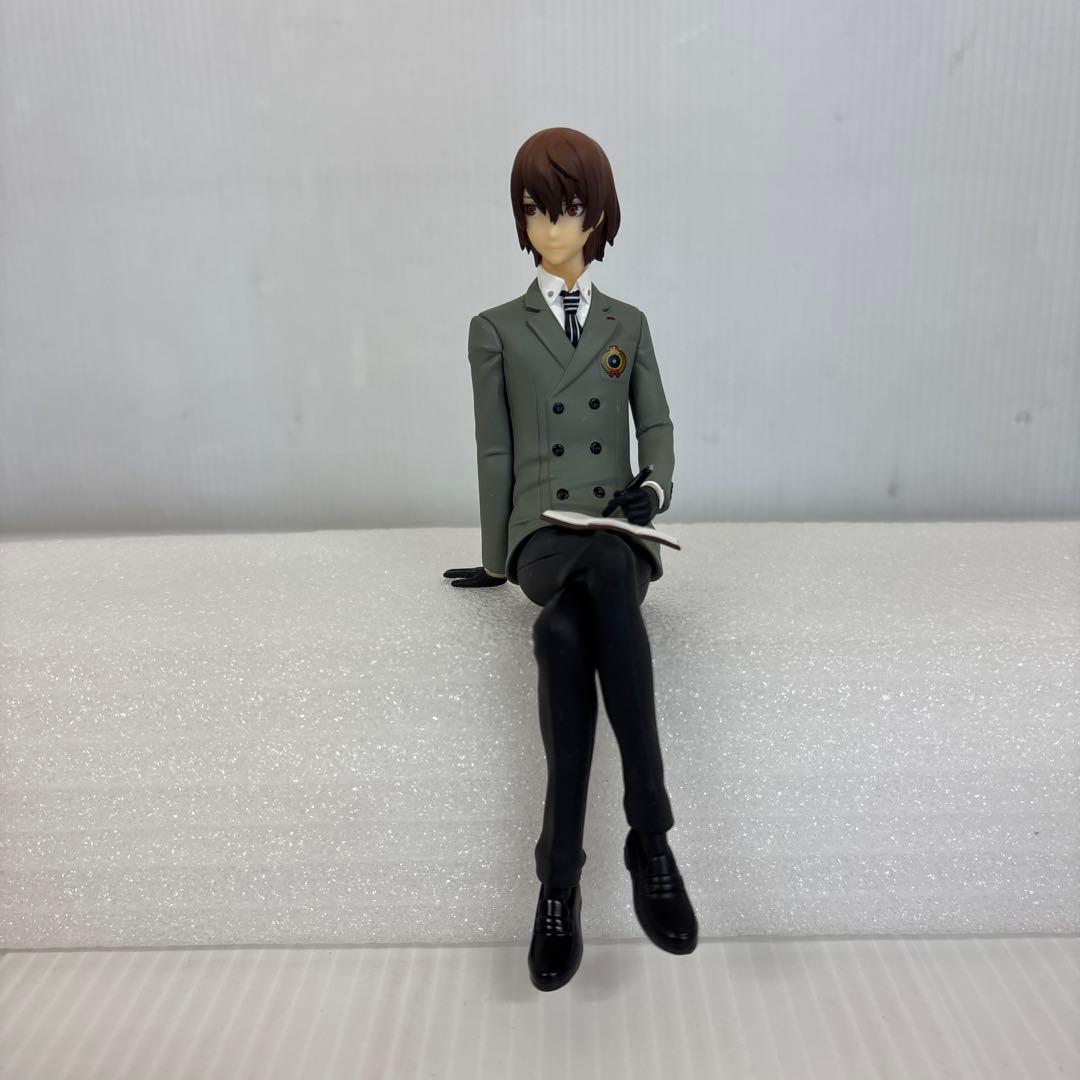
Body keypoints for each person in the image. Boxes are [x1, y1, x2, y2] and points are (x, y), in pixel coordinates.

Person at [444, 127, 697, 992]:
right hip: (545, 534)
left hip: (618, 529)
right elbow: (494, 452)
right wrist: (495, 558)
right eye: (533, 208)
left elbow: (655, 423)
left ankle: (559, 882)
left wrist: (653, 489)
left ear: (597, 217)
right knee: (596, 572)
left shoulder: (630, 324)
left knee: (564, 636)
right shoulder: (493, 329)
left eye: (567, 207)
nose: (549, 225)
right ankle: (651, 835)